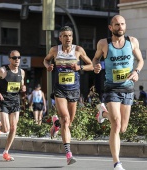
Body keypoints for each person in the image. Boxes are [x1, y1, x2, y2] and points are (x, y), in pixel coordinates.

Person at [93, 15, 144, 170]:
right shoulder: (104, 43)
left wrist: (136, 71)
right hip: (111, 88)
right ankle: (117, 163)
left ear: (125, 26)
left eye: (122, 24)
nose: (120, 27)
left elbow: (141, 60)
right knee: (116, 123)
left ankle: (103, 114)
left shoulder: (133, 41)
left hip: (128, 87)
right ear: (111, 27)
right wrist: (96, 66)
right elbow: (95, 59)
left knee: (123, 128)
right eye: (117, 25)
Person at [43, 26, 94, 165]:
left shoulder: (78, 50)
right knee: (65, 119)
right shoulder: (55, 50)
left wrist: (80, 67)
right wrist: (48, 66)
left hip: (74, 90)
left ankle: (56, 123)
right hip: (59, 89)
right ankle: (68, 155)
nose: (68, 38)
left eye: (70, 35)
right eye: (65, 35)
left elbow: (91, 65)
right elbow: (46, 60)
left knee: (69, 122)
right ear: (60, 38)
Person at [0, 50, 26, 161]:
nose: (17, 60)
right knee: (5, 129)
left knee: (13, 128)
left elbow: (21, 85)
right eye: (14, 58)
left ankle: (6, 152)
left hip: (15, 101)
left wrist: (23, 88)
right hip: (4, 101)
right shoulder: (3, 70)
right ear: (9, 59)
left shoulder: (22, 72)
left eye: (18, 57)